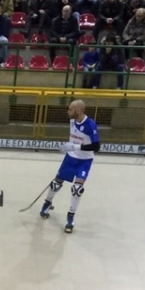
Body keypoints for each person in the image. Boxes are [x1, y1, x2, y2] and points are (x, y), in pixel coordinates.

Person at [39, 99, 101, 234]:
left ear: (78, 110)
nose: (68, 112)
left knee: (77, 189)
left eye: (70, 109)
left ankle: (71, 216)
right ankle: (48, 202)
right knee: (56, 183)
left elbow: (97, 146)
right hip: (70, 158)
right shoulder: (72, 121)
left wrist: (75, 146)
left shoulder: (90, 125)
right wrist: (67, 147)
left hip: (84, 161)